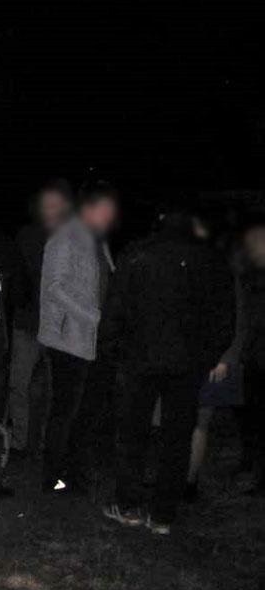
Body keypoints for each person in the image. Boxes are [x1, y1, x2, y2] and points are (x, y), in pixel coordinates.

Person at [99, 212, 235, 534]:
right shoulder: (210, 260)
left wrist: (115, 349)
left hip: (139, 359)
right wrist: (207, 355)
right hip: (185, 364)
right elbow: (225, 316)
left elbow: (115, 308)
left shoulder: (137, 254)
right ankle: (163, 514)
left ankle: (129, 505)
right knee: (177, 438)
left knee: (132, 433)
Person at [38, 181, 119, 493]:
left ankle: (74, 473)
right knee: (65, 411)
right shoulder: (65, 237)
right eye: (105, 209)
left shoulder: (98, 241)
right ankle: (53, 476)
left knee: (87, 411)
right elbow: (54, 287)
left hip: (95, 339)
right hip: (68, 340)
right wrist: (91, 315)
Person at [7, 180, 73, 454]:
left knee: (51, 390)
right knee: (20, 385)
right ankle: (23, 441)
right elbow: (17, 279)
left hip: (54, 326)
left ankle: (45, 442)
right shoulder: (28, 236)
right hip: (29, 323)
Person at [185, 215, 244, 500]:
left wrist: (225, 357)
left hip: (210, 359)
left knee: (200, 421)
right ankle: (176, 477)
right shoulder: (187, 267)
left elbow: (238, 317)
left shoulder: (226, 272)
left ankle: (189, 482)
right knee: (181, 420)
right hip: (184, 357)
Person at [240, 217, 265, 495]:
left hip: (259, 355)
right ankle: (252, 465)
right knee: (252, 416)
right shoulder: (250, 276)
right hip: (254, 357)